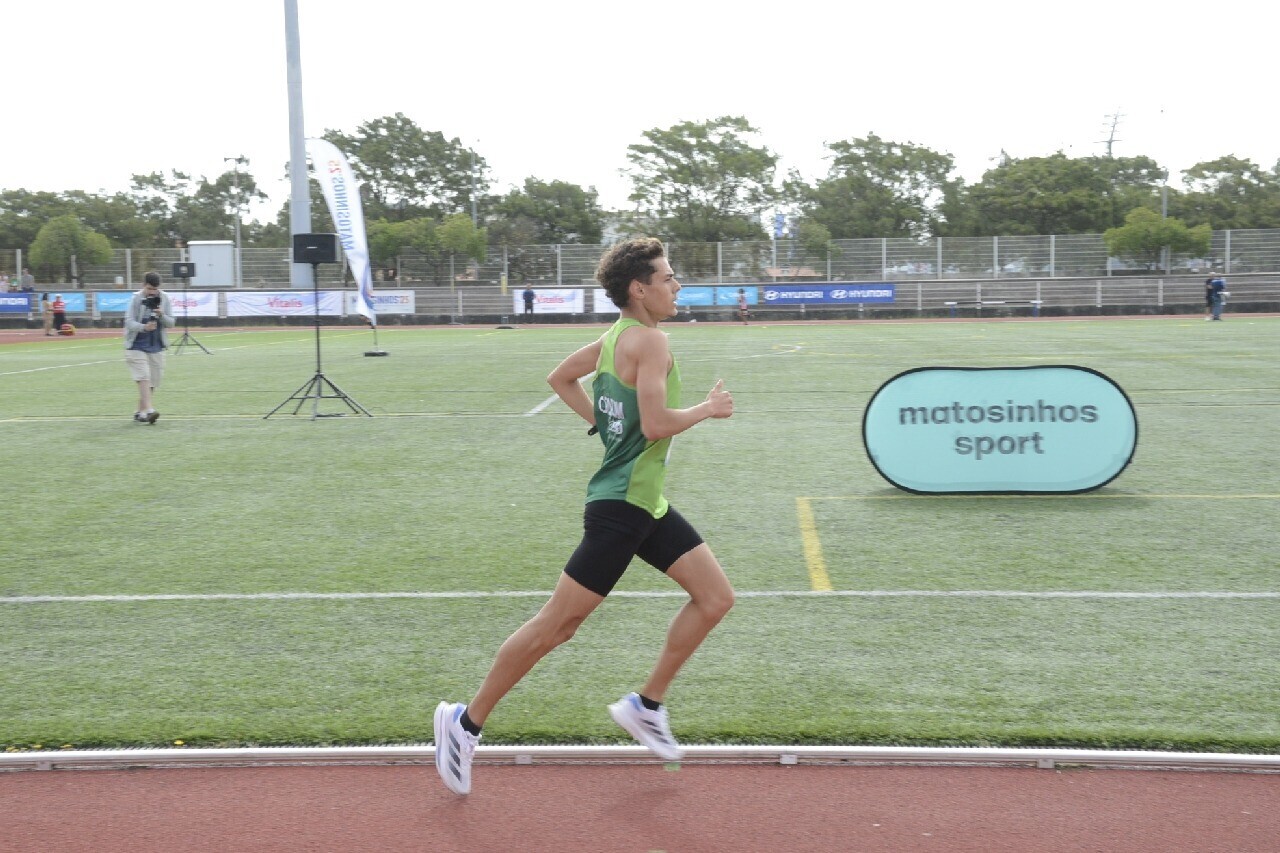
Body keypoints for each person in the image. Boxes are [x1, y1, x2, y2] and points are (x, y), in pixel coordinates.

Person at [433, 237, 736, 796]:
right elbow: (655, 425)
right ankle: (464, 722)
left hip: (646, 504)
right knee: (557, 625)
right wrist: (706, 409)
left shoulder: (614, 337)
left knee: (715, 598)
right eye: (668, 277)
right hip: (621, 508)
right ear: (639, 289)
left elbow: (559, 378)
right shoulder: (651, 340)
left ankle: (646, 706)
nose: (676, 286)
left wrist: (604, 424)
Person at [123, 272, 175, 424]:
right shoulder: (136, 298)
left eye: (155, 289)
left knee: (153, 381)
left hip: (156, 345)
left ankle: (140, 412)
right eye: (149, 288)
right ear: (143, 285)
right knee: (143, 377)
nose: (152, 292)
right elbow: (128, 322)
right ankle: (150, 410)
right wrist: (144, 327)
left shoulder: (164, 298)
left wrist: (161, 315)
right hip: (136, 345)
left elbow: (171, 323)